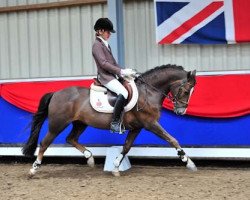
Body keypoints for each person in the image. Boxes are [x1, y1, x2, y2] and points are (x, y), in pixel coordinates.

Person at [92, 18, 135, 133]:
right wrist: (121, 72)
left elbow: (113, 63)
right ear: (100, 31)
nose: (109, 34)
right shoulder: (97, 45)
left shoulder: (105, 45)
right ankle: (115, 123)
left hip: (112, 76)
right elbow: (104, 64)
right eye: (108, 31)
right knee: (124, 92)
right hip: (105, 77)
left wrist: (125, 71)